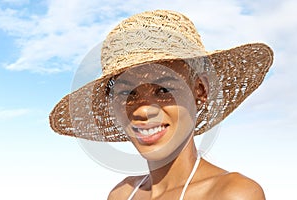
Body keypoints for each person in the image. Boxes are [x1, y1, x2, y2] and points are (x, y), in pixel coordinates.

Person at [49, 10, 273, 199]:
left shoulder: (232, 193)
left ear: (201, 91)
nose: (144, 110)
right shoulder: (122, 194)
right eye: (128, 92)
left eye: (164, 90)